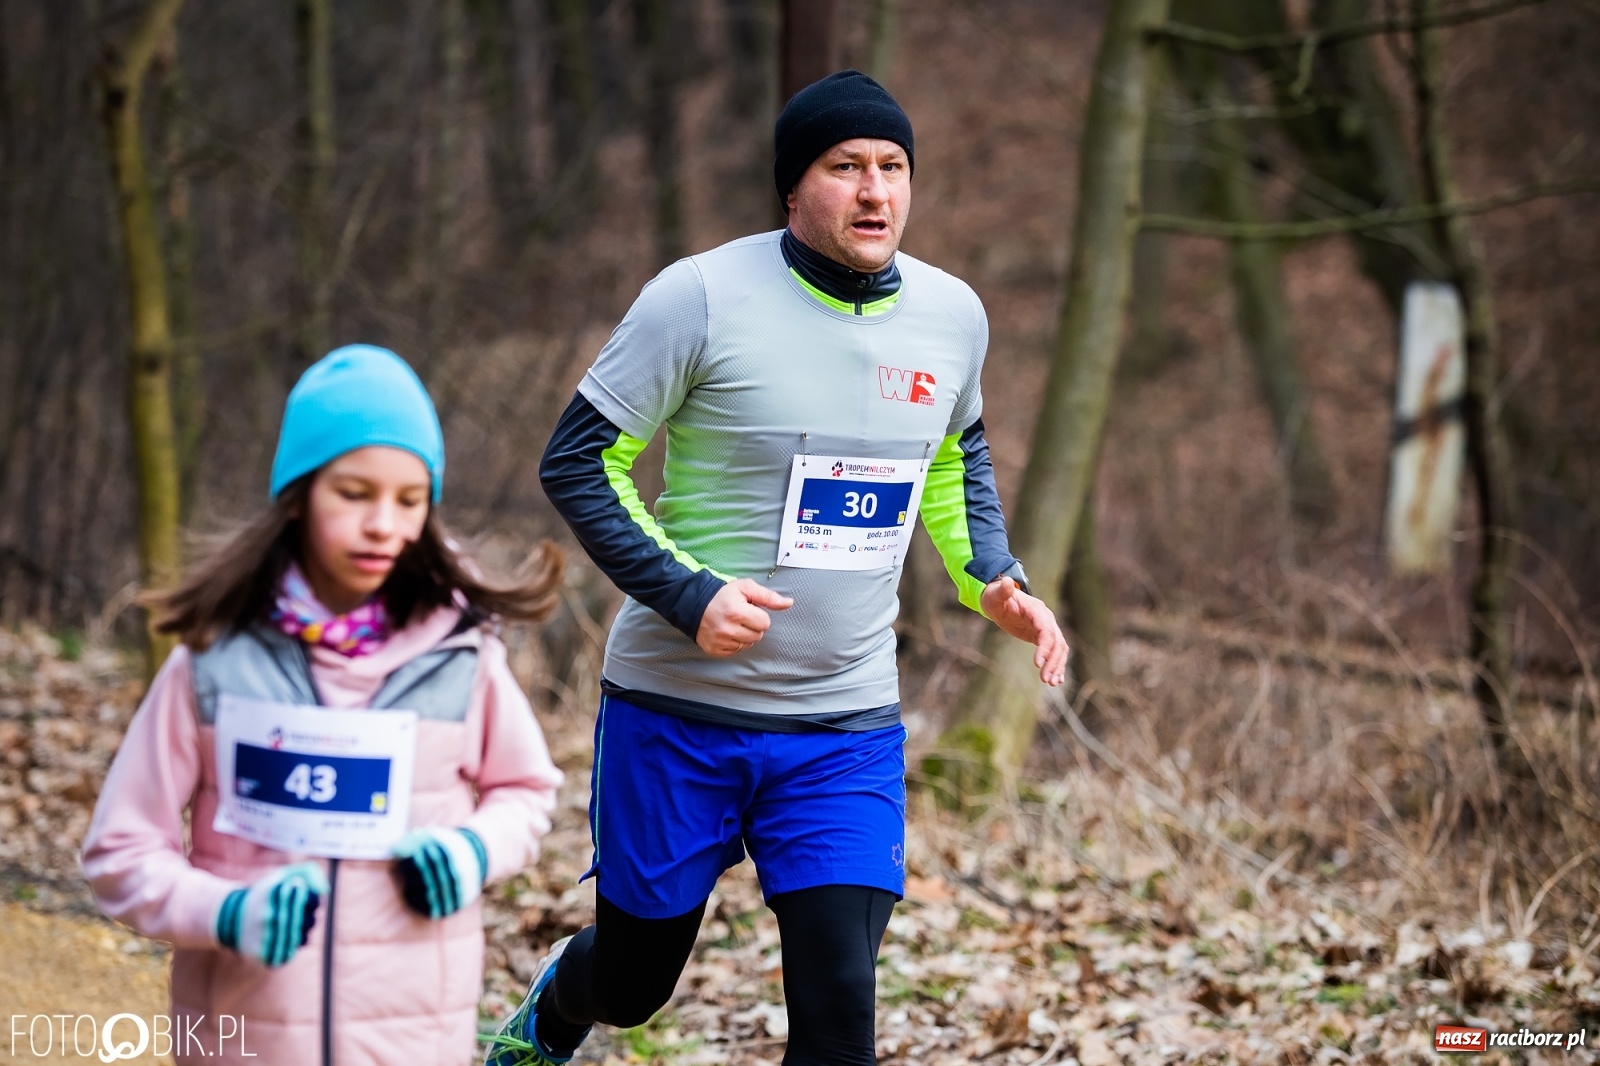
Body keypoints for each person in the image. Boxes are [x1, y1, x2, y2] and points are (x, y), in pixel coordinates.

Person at [488, 70, 1067, 1066]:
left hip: (843, 726)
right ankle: (556, 1006)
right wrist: (689, 595)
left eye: (892, 167)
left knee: (840, 1019)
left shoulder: (952, 314)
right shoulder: (699, 298)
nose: (875, 191)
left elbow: (951, 456)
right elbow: (579, 461)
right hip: (679, 711)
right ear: (792, 187)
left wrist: (992, 578)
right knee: (633, 981)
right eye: (845, 167)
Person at [81, 345, 567, 1066]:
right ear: (299, 494)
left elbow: (526, 791)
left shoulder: (462, 655)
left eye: (409, 500)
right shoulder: (213, 661)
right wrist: (225, 911)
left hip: (412, 1040)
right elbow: (120, 851)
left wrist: (471, 851)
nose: (384, 524)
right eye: (354, 493)